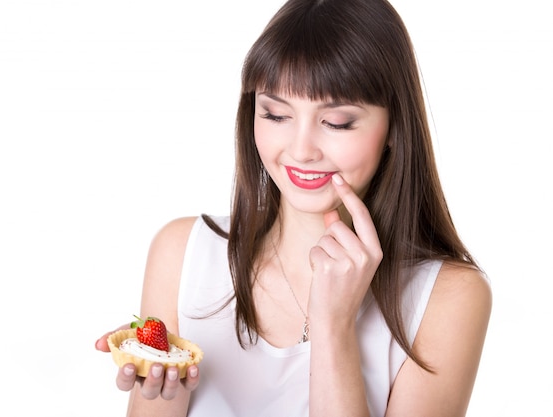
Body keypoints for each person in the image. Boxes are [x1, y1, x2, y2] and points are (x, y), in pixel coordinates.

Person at [95, 0, 492, 415]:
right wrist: (163, 389)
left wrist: (333, 328)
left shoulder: (449, 297)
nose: (301, 151)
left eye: (336, 122)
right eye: (276, 114)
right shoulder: (183, 253)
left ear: (394, 126)